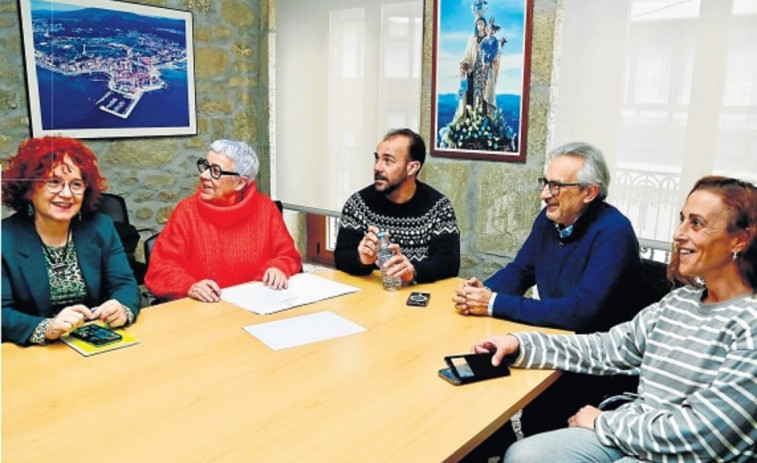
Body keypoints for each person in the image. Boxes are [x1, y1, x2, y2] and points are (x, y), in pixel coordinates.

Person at [472, 176, 757, 463]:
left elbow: (703, 435)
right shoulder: (678, 302)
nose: (678, 234)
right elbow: (608, 348)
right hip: (634, 433)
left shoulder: (750, 325)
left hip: (690, 454)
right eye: (682, 220)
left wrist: (603, 423)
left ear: (740, 239)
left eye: (696, 224)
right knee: (525, 455)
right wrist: (521, 345)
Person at [452, 142, 644, 439]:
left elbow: (580, 313)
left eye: (556, 187)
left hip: (595, 365)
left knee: (529, 419)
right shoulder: (549, 220)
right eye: (545, 183)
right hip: (554, 345)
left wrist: (493, 303)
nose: (544, 195)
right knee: (478, 391)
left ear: (589, 192)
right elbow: (521, 271)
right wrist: (481, 292)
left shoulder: (614, 233)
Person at [2, 136, 141, 346]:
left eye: (76, 184)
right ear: (30, 189)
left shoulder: (101, 227)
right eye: (54, 182)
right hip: (32, 352)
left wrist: (123, 307)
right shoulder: (5, 239)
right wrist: (45, 328)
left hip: (94, 341)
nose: (66, 194)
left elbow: (125, 284)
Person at [144, 139, 301, 302]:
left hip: (257, 305)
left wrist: (278, 267)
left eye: (215, 171)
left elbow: (288, 256)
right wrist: (189, 286)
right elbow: (159, 271)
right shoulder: (186, 212)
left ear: (240, 183)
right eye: (205, 166)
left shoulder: (265, 209)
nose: (203, 175)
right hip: (204, 312)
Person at [334, 128, 460, 285]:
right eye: (377, 159)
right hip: (373, 296)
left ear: (412, 167)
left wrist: (412, 272)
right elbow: (341, 257)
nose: (377, 167)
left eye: (388, 160)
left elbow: (448, 263)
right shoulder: (358, 204)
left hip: (416, 298)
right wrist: (362, 260)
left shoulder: (439, 208)